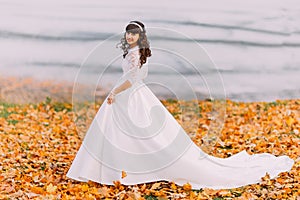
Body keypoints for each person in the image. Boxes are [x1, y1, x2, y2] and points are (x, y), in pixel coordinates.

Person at [66, 20, 294, 190]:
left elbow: (134, 77)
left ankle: (117, 169)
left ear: (140, 36)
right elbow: (139, 77)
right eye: (128, 34)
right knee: (120, 131)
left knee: (130, 131)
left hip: (128, 93)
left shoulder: (136, 54)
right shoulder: (135, 52)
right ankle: (117, 168)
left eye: (134, 34)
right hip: (132, 93)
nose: (130, 37)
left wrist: (115, 91)